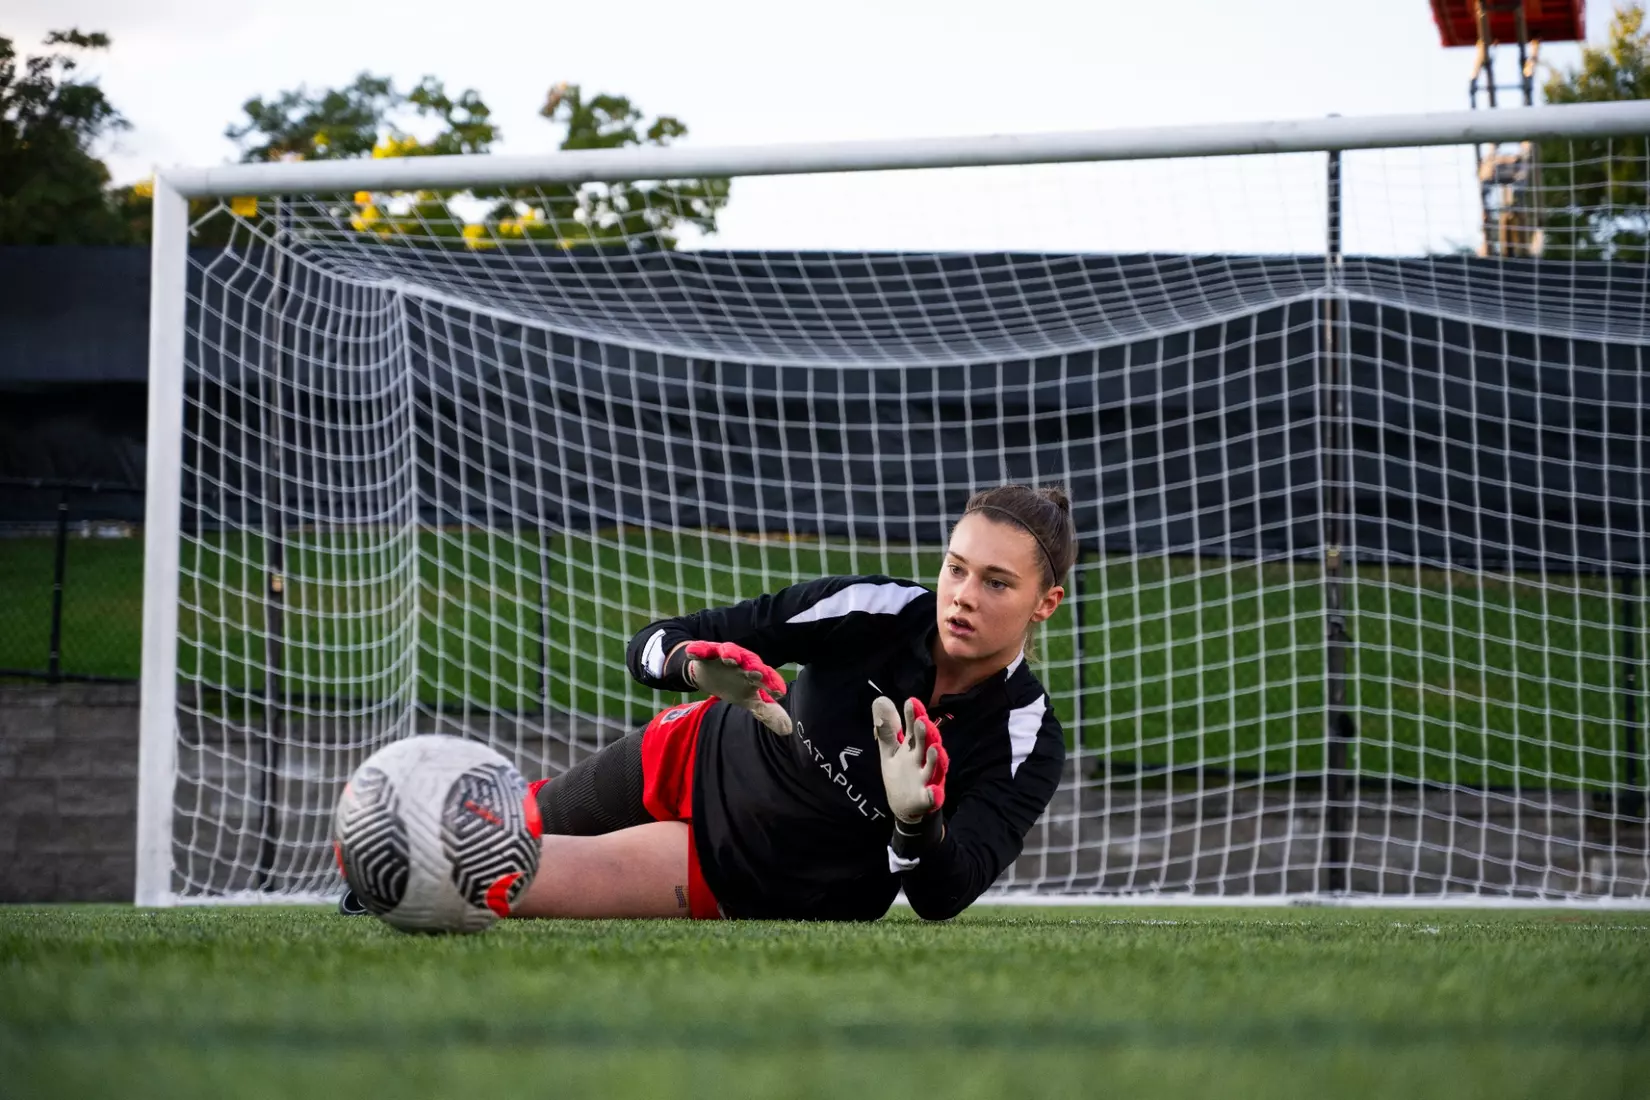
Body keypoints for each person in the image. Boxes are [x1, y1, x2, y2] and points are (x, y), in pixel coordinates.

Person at [337, 483, 1074, 921]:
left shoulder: (1028, 736)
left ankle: (395, 886)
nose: (963, 596)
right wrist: (693, 666)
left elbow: (947, 893)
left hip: (745, 869)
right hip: (684, 752)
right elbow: (659, 640)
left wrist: (917, 825)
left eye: (996, 583)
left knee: (486, 872)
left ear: (1046, 602)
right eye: (955, 568)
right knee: (485, 816)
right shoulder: (873, 606)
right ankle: (370, 869)